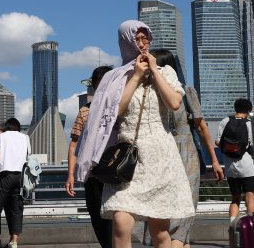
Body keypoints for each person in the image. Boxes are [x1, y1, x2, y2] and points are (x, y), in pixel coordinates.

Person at [98, 22, 194, 248]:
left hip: (160, 155)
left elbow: (174, 103)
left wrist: (154, 72)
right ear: (125, 43)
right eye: (136, 39)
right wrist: (136, 75)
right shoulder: (116, 77)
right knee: (121, 221)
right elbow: (116, 112)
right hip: (127, 156)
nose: (142, 44)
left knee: (160, 231)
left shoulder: (166, 71)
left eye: (145, 39)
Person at [144, 49, 224, 248]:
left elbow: (202, 127)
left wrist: (214, 160)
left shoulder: (174, 93)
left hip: (173, 155)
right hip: (174, 155)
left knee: (174, 216)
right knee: (174, 216)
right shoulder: (159, 92)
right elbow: (202, 127)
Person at [65, 65, 114, 248]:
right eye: (100, 86)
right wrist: (70, 174)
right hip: (93, 175)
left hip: (116, 174)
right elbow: (74, 143)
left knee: (117, 219)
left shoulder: (121, 108)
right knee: (98, 218)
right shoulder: (85, 111)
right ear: (93, 86)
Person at [0, 117, 31, 248]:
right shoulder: (25, 137)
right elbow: (27, 156)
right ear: (18, 128)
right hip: (20, 177)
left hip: (5, 176)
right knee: (17, 209)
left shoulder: (2, 137)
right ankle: (14, 242)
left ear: (7, 127)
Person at [216, 98, 254, 222]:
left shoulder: (226, 120)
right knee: (250, 196)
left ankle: (232, 226)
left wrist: (231, 148)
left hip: (230, 167)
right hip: (247, 166)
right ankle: (251, 226)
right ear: (249, 110)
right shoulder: (250, 123)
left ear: (235, 108)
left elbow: (218, 142)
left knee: (235, 198)